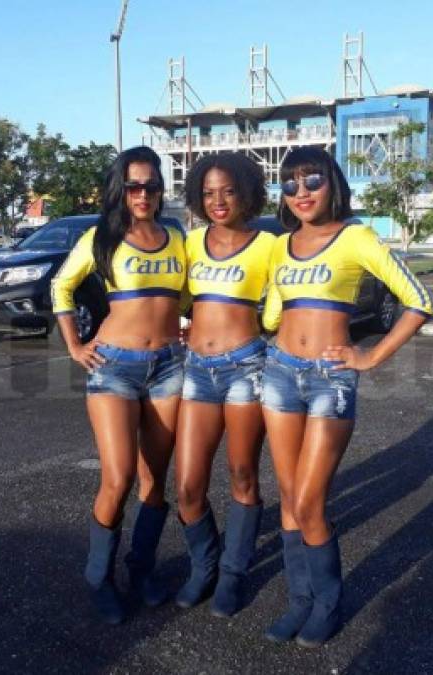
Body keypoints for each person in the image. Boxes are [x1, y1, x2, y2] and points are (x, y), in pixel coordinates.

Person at [260, 147, 433, 646]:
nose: (301, 193)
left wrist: (371, 356)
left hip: (328, 380)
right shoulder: (280, 245)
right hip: (278, 373)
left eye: (310, 180)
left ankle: (328, 604)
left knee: (311, 501)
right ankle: (299, 603)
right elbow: (273, 315)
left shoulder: (355, 236)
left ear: (331, 182)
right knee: (290, 500)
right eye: (289, 185)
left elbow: (419, 301)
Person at [51, 146, 188, 625]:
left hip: (170, 366)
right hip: (114, 367)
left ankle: (142, 570)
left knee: (155, 479)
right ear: (120, 189)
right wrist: (74, 345)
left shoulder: (176, 237)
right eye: (134, 185)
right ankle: (99, 578)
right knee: (119, 477)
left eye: (152, 185)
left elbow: (187, 297)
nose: (143, 194)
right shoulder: (101, 238)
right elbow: (61, 288)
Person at [172, 153, 275, 617]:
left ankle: (234, 572)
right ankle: (204, 565)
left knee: (242, 475)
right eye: (209, 192)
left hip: (246, 369)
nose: (217, 201)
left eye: (228, 191)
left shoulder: (269, 245)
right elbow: (169, 294)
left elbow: (290, 302)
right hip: (196, 369)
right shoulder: (190, 242)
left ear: (247, 192)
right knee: (188, 486)